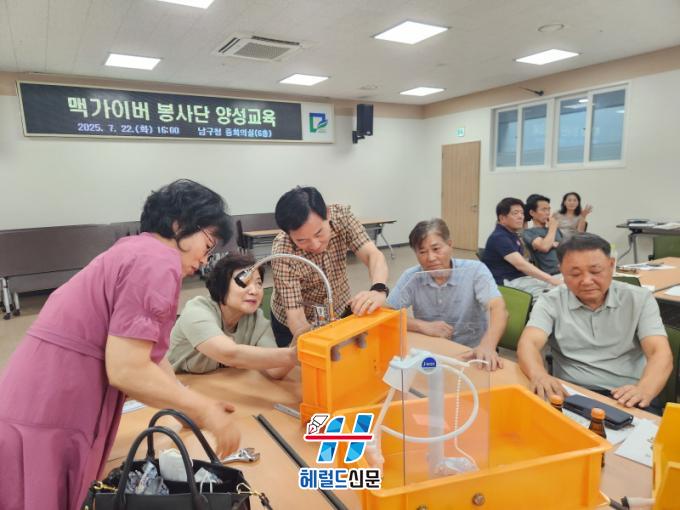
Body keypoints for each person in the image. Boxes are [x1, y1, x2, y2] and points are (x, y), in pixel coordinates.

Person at [0, 179, 241, 510]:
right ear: (179, 225)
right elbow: (128, 369)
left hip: (37, 398)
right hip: (51, 408)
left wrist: (192, 406)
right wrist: (204, 410)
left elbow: (150, 357)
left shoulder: (135, 251)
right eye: (208, 243)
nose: (205, 259)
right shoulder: (157, 260)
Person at [517, 233, 672, 413]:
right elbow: (529, 343)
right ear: (562, 272)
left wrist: (645, 389)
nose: (586, 281)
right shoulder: (550, 301)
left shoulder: (639, 299)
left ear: (611, 265)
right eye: (575, 274)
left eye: (596, 271)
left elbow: (659, 351)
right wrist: (539, 375)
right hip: (571, 392)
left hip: (627, 394)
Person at [270, 186, 389, 347]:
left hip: (338, 309)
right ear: (288, 234)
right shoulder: (283, 252)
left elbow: (372, 255)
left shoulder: (342, 217)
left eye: (319, 233)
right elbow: (296, 318)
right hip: (294, 324)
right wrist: (321, 345)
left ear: (327, 213)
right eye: (302, 240)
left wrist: (378, 289)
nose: (315, 245)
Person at [387, 219, 508, 370]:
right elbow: (387, 314)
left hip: (472, 353)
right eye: (422, 252)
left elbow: (498, 308)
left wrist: (488, 345)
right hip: (432, 353)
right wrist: (422, 326)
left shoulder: (475, 270)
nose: (431, 258)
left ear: (450, 245)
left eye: (436, 249)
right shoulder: (411, 276)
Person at [168, 253, 296, 379]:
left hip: (219, 384)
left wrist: (299, 341)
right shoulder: (197, 312)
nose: (254, 291)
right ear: (221, 285)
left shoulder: (257, 320)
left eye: (258, 283)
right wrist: (292, 355)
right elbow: (228, 354)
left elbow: (275, 369)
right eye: (244, 282)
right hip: (176, 384)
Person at [482, 197, 561, 300]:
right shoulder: (499, 237)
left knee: (561, 286)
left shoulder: (512, 234)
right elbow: (521, 265)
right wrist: (551, 280)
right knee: (553, 295)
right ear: (502, 218)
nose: (520, 216)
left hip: (521, 279)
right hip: (508, 283)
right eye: (515, 213)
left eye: (522, 213)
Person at [523, 194, 563, 275]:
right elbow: (544, 247)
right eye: (543, 210)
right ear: (532, 213)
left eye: (548, 209)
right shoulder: (528, 232)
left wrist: (553, 243)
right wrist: (553, 228)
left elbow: (567, 247)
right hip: (552, 274)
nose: (547, 213)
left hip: (567, 270)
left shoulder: (556, 230)